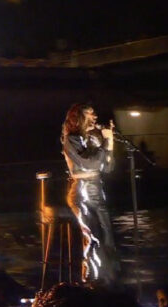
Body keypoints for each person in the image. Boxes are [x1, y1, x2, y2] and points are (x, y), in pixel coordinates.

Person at [61, 103, 119, 286]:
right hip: (82, 192)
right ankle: (92, 282)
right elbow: (91, 164)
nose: (95, 118)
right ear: (78, 118)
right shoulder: (72, 139)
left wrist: (109, 143)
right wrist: (105, 146)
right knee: (95, 237)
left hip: (97, 190)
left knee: (107, 236)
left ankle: (109, 281)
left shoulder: (94, 138)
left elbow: (107, 167)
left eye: (95, 114)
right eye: (89, 114)